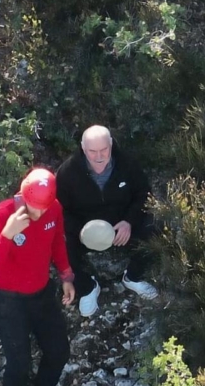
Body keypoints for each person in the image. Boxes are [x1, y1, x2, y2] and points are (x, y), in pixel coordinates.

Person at [0, 168, 76, 386]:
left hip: (42, 292)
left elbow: (57, 240)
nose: (39, 213)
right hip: (8, 299)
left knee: (58, 351)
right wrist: (8, 234)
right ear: (22, 195)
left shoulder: (53, 209)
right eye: (34, 207)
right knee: (19, 363)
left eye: (44, 208)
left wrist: (66, 275)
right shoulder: (0, 216)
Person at [56, 125, 159, 317]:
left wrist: (129, 221)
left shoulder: (127, 164)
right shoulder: (68, 173)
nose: (98, 156)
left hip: (121, 225)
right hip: (85, 230)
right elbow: (60, 210)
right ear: (82, 148)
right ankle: (87, 287)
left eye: (104, 149)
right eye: (92, 151)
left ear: (111, 143)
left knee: (153, 227)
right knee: (58, 243)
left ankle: (133, 277)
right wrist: (80, 231)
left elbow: (144, 194)